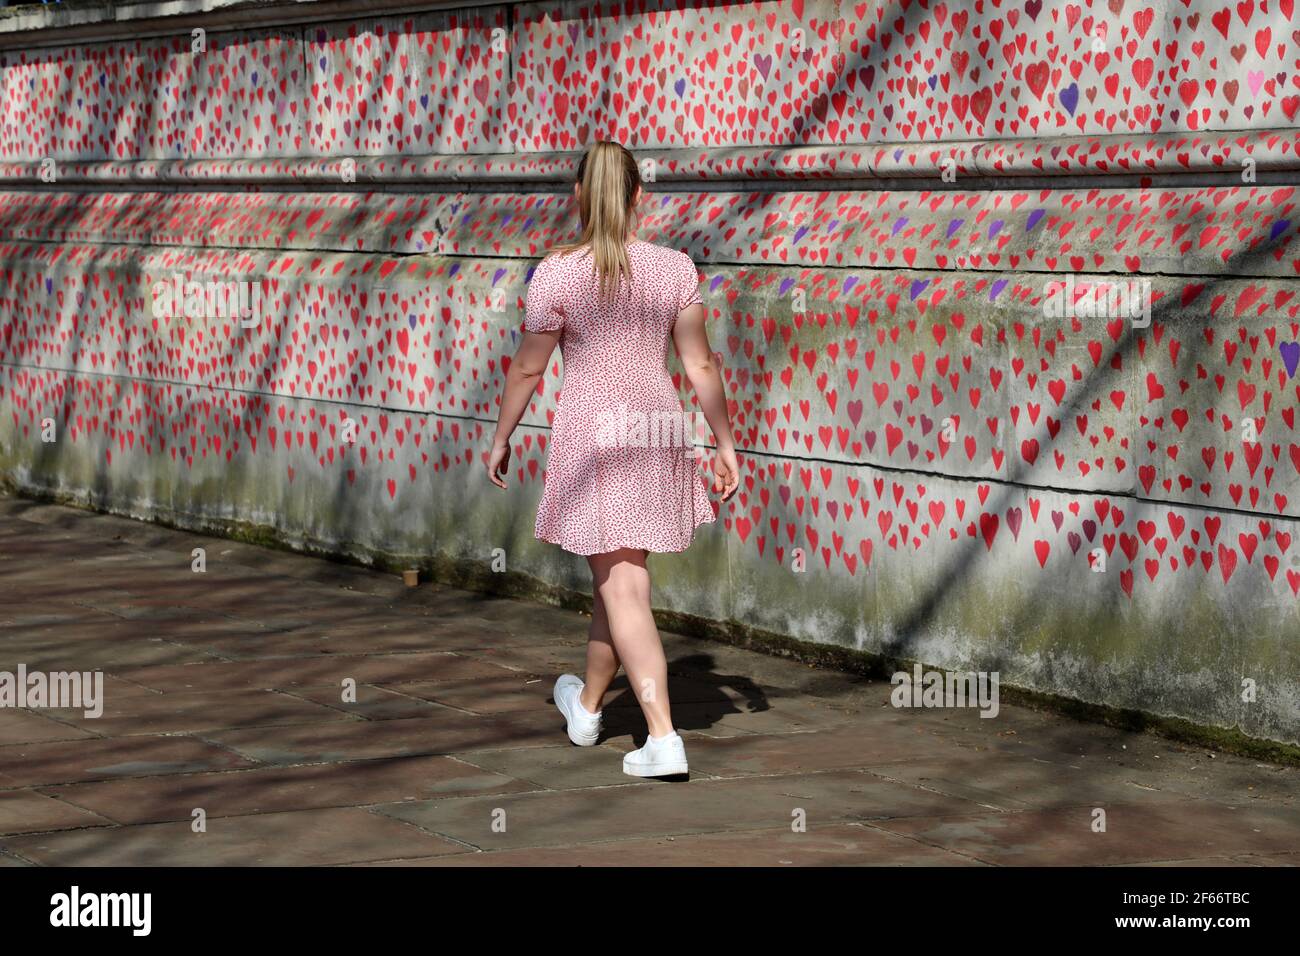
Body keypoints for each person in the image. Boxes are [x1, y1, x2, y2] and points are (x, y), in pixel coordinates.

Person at [487, 140, 739, 778]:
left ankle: (661, 735)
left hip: (596, 438)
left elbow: (527, 366)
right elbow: (699, 364)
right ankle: (590, 709)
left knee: (623, 582)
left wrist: (501, 435)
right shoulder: (674, 269)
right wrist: (724, 441)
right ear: (636, 197)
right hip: (656, 429)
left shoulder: (557, 274)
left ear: (579, 196)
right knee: (614, 580)